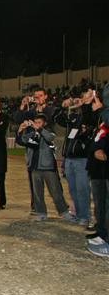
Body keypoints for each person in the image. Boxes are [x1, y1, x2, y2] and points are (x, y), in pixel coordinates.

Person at [19, 114, 75, 222]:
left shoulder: (49, 131)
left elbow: (50, 137)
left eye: (39, 122)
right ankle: (41, 213)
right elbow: (22, 141)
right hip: (34, 167)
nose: (36, 124)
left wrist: (39, 129)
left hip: (48, 167)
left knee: (55, 191)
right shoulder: (32, 133)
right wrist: (21, 130)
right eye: (35, 122)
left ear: (44, 123)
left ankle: (64, 212)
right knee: (37, 192)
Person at [53, 89, 96, 227]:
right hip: (70, 158)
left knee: (83, 189)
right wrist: (63, 107)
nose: (81, 100)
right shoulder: (75, 118)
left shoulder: (91, 116)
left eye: (84, 98)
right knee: (73, 189)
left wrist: (85, 104)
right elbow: (58, 119)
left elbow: (90, 118)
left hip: (82, 158)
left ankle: (85, 216)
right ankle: (79, 214)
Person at [86, 121, 109, 257]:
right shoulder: (101, 125)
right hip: (97, 170)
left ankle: (106, 236)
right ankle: (102, 232)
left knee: (106, 205)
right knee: (100, 203)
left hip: (105, 168)